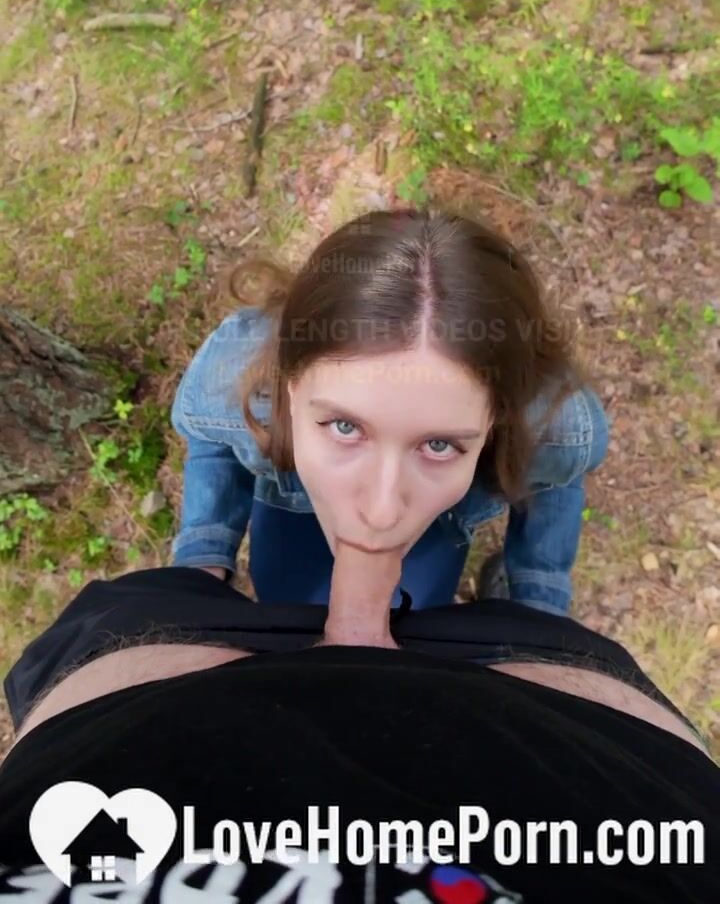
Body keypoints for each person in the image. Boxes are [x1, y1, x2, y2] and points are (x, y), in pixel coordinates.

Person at [0, 552, 717, 901]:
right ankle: (531, 600)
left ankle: (204, 561)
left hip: (148, 659)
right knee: (534, 621)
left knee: (162, 588)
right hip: (557, 699)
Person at [170, 206, 610, 613]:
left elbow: (558, 476)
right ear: (290, 385)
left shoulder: (556, 425)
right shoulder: (237, 374)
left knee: (419, 610)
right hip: (287, 520)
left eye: (439, 445)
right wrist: (203, 561)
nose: (381, 514)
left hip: (435, 538)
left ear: (497, 418)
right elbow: (212, 440)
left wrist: (536, 601)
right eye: (345, 426)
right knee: (284, 595)